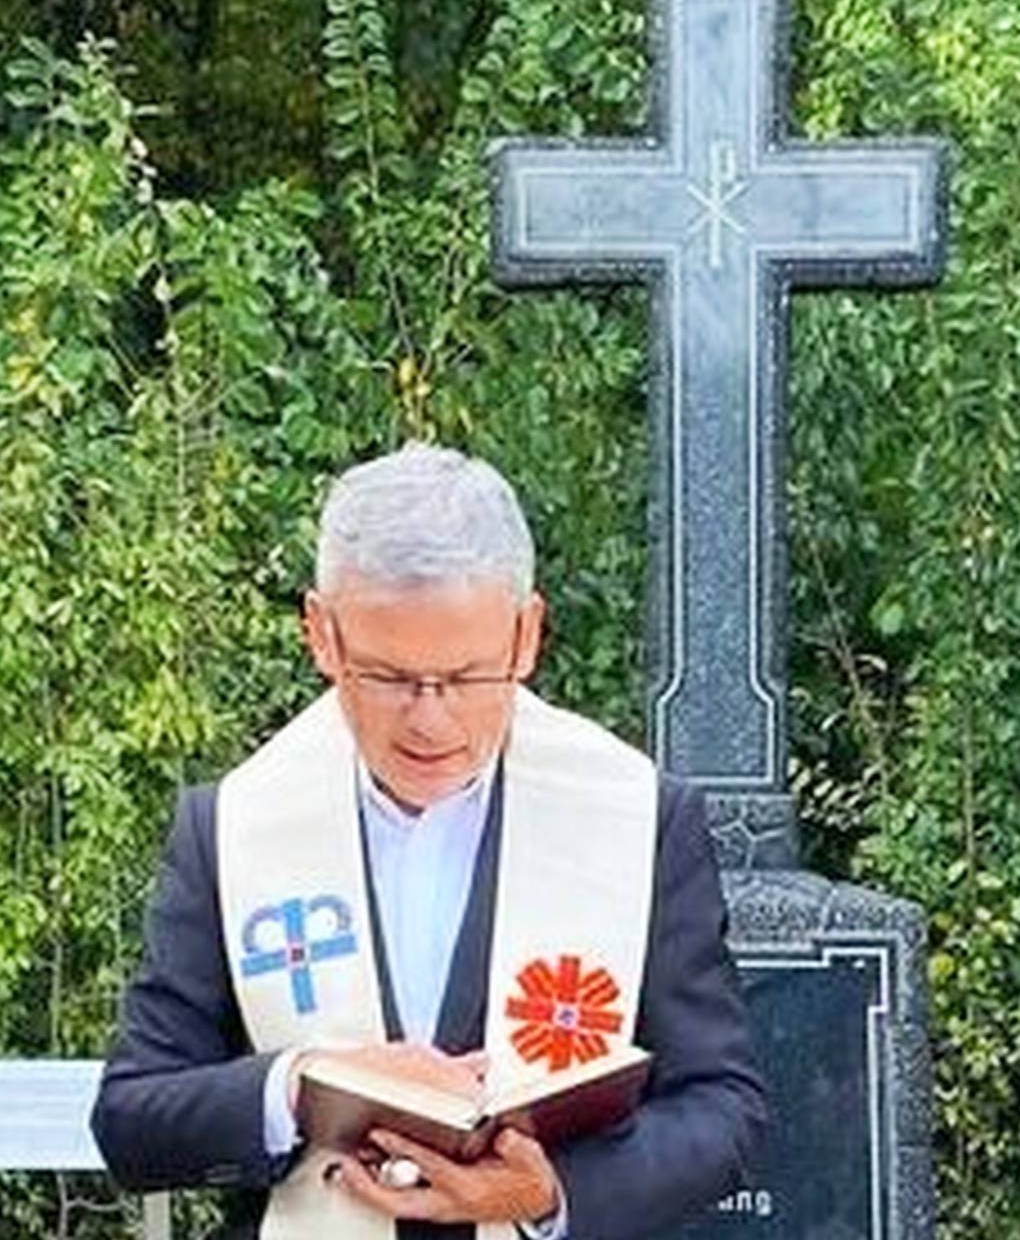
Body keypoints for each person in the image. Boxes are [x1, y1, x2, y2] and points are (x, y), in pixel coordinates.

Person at [92, 444, 767, 1240]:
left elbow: (723, 1105)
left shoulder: (635, 817)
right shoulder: (238, 826)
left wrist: (548, 1195)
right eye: (386, 677)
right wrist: (304, 1087)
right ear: (322, 634)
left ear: (526, 635)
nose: (430, 720)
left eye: (468, 676)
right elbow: (132, 1119)